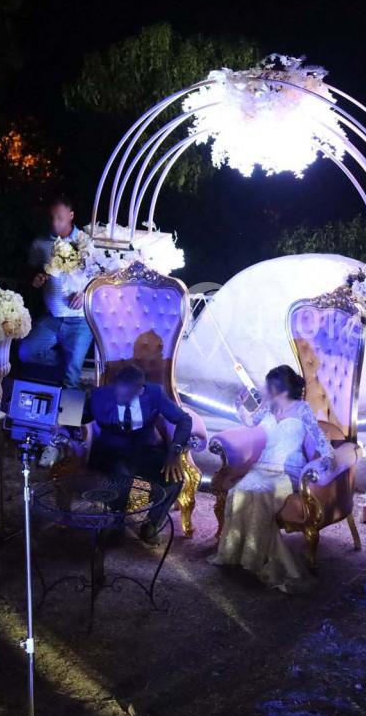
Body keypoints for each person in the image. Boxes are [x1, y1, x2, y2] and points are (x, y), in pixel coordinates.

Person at [209, 366, 329, 594]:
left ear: (279, 388)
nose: (265, 389)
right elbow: (250, 422)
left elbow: (323, 445)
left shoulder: (303, 410)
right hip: (263, 466)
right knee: (239, 492)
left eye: (269, 385)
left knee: (261, 495)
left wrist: (319, 466)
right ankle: (239, 553)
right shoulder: (268, 408)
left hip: (288, 470)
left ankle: (260, 559)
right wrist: (239, 406)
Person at [81, 364, 191, 544]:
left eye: (126, 396)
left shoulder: (154, 393)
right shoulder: (99, 396)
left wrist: (175, 451)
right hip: (112, 451)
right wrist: (63, 418)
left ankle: (151, 523)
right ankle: (117, 522)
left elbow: (184, 420)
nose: (120, 399)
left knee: (175, 478)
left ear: (140, 391)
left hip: (145, 449)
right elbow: (77, 417)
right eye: (118, 393)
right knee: (122, 480)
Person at [17, 193, 93, 387]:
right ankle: (64, 363)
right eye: (51, 217)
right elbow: (31, 271)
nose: (54, 223)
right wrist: (35, 278)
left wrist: (86, 295)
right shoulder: (40, 243)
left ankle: (70, 382)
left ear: (71, 216)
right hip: (51, 317)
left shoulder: (87, 243)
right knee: (26, 352)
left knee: (71, 379)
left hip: (80, 320)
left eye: (59, 218)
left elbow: (100, 277)